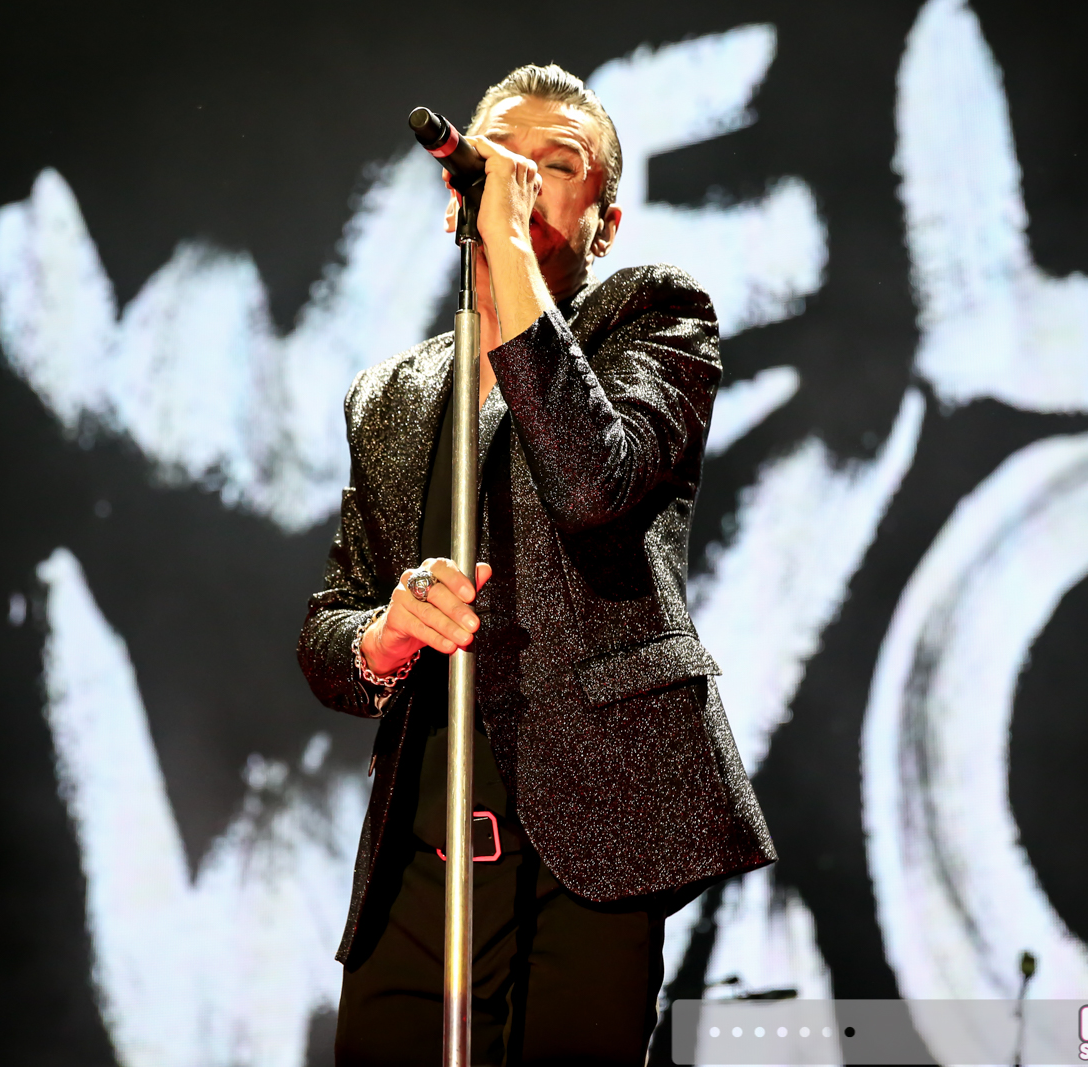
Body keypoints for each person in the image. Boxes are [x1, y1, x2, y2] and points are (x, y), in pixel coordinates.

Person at [297, 63, 777, 1065]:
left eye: (552, 166)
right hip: (424, 851)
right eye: (498, 157)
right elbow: (330, 625)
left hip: (594, 846)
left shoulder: (655, 317)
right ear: (453, 201)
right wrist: (383, 634)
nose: (515, 176)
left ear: (604, 225)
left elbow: (594, 482)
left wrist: (510, 246)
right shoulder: (387, 396)